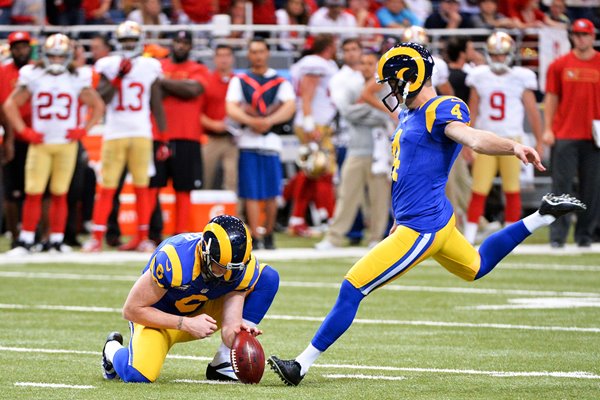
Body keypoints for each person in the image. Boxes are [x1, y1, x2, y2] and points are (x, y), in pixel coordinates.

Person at [267, 42, 586, 386]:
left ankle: (300, 365)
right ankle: (543, 215)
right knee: (476, 267)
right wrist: (395, 220)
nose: (388, 89)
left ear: (408, 78)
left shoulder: (441, 109)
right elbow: (404, 173)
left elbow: (473, 138)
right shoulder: (410, 112)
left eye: (392, 82)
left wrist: (513, 146)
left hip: (422, 228)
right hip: (430, 220)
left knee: (353, 287)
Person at [100, 214, 280, 382]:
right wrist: (186, 323)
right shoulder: (175, 260)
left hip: (202, 311)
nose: (228, 275)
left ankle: (224, 362)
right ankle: (111, 349)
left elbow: (229, 328)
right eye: (221, 267)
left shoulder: (237, 267)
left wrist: (240, 337)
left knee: (267, 278)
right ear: (205, 253)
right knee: (138, 374)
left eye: (235, 269)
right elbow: (131, 310)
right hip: (160, 318)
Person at [3, 34, 104, 254]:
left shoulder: (78, 76)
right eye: (52, 56)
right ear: (44, 55)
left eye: (61, 56)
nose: (57, 60)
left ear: (68, 56)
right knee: (33, 192)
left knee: (60, 193)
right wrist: (24, 131)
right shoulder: (34, 75)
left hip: (66, 144)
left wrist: (83, 130)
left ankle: (56, 240)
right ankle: (26, 239)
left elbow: (98, 105)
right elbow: (10, 104)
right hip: (41, 144)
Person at [83, 21, 166, 253]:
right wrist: (119, 76)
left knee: (142, 187)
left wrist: (164, 136)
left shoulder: (150, 65)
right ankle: (97, 237)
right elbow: (102, 99)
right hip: (115, 131)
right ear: (118, 42)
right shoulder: (108, 65)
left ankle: (142, 237)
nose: (129, 45)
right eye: (125, 41)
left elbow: (156, 102)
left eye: (132, 40)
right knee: (107, 187)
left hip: (141, 131)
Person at [463, 32, 543, 244]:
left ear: (510, 54)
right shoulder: (479, 75)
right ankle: (469, 236)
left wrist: (540, 141)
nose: (498, 59)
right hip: (484, 139)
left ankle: (510, 237)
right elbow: (472, 109)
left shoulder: (520, 76)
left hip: (512, 141)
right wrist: (465, 142)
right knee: (479, 189)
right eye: (494, 54)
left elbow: (532, 111)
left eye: (502, 54)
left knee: (512, 188)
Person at [315, 49, 391, 250]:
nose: (366, 66)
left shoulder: (385, 88)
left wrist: (370, 111)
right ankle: (334, 238)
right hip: (356, 148)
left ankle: (376, 237)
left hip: (380, 152)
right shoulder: (353, 86)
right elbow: (347, 113)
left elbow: (391, 115)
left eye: (370, 63)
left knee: (379, 198)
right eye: (362, 62)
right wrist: (375, 110)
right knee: (346, 195)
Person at [226, 38, 296, 250]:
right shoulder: (240, 80)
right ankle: (255, 234)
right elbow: (231, 107)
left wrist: (268, 121)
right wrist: (252, 122)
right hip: (248, 140)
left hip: (272, 141)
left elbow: (290, 107)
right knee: (251, 192)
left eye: (261, 51)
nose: (257, 56)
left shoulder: (280, 81)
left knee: (271, 192)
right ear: (249, 54)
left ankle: (269, 232)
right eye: (253, 52)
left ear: (267, 53)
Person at [543, 18, 600, 248]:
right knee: (561, 188)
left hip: (594, 136)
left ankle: (585, 235)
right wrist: (548, 128)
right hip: (565, 133)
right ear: (572, 36)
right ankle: (557, 236)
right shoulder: (559, 64)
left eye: (585, 34)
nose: (581, 38)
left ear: (592, 36)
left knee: (592, 188)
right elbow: (551, 98)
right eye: (577, 34)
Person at [149, 30, 207, 236]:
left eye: (185, 42)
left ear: (190, 46)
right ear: (171, 43)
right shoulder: (159, 66)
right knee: (151, 186)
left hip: (187, 136)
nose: (181, 46)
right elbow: (152, 92)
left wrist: (163, 82)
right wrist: (174, 85)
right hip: (158, 135)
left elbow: (193, 90)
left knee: (183, 188)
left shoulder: (198, 68)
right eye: (177, 41)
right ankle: (151, 234)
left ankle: (180, 235)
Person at [288, 34, 339, 237]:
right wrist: (310, 124)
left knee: (310, 173)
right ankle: (329, 217)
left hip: (315, 122)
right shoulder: (315, 63)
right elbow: (307, 95)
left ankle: (297, 219)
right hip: (313, 123)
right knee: (324, 170)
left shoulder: (317, 63)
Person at [0, 31, 32, 248]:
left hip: (38, 138)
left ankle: (37, 235)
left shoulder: (37, 70)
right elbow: (4, 107)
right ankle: (14, 235)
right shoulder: (4, 72)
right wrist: (9, 139)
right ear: (11, 49)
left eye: (24, 46)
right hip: (17, 137)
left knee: (38, 190)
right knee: (12, 190)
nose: (21, 50)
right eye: (17, 47)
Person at [201, 44, 238, 193]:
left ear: (232, 59)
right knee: (205, 179)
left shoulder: (239, 81)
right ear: (215, 59)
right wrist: (213, 124)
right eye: (220, 55)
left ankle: (234, 215)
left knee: (232, 181)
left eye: (227, 55)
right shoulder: (207, 81)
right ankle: (201, 215)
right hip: (210, 138)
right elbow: (196, 112)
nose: (224, 59)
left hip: (232, 139)